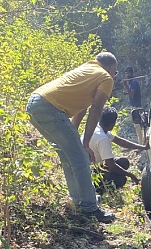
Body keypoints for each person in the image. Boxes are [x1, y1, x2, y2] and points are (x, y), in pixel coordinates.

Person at [25, 52, 119, 223]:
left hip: (34, 103)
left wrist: (77, 140)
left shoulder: (87, 69)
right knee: (80, 158)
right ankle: (90, 208)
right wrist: (84, 143)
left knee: (69, 156)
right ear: (112, 68)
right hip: (50, 108)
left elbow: (81, 109)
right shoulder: (105, 77)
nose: (114, 76)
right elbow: (96, 110)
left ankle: (80, 201)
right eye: (116, 72)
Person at [86, 107, 148, 192]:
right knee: (121, 180)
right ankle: (99, 189)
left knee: (124, 162)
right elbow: (112, 166)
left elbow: (120, 141)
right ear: (112, 124)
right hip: (91, 172)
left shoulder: (98, 128)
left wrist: (142, 147)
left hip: (93, 166)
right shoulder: (102, 138)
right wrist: (131, 175)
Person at [122, 66, 145, 143]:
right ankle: (141, 142)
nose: (127, 75)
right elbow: (129, 93)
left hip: (137, 107)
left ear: (132, 73)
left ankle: (141, 144)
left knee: (138, 126)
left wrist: (125, 85)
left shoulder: (134, 82)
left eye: (128, 73)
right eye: (126, 73)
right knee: (137, 126)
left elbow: (132, 94)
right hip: (133, 107)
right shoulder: (131, 82)